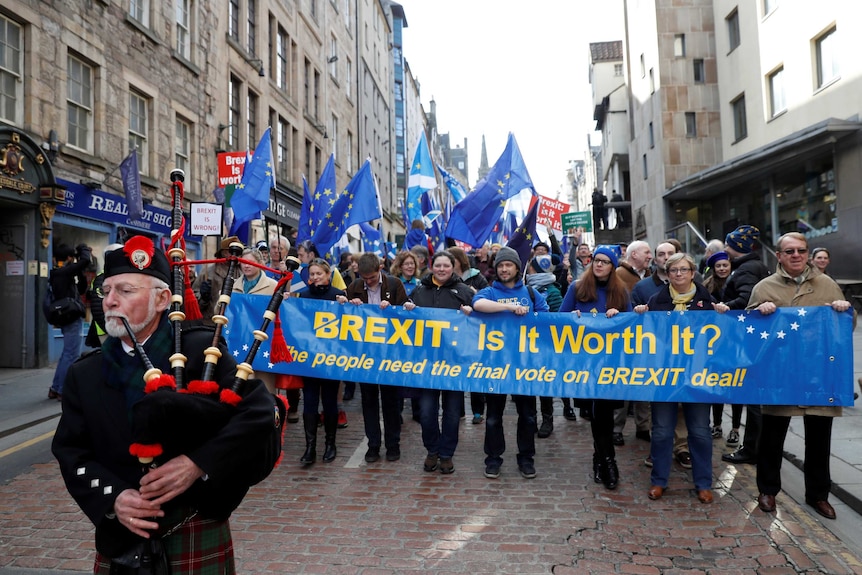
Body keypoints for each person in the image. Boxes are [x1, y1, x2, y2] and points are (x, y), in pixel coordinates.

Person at [52, 235, 277, 573]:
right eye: (106, 291)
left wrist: (198, 463)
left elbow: (260, 413)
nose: (110, 301)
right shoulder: (85, 374)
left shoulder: (203, 352)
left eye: (125, 291)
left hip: (194, 524)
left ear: (160, 300)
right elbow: (72, 452)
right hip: (123, 536)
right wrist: (113, 498)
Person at [751, 232, 854, 520]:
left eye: (801, 250)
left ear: (807, 254)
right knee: (772, 437)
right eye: (790, 251)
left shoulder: (827, 284)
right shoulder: (764, 287)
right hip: (780, 376)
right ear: (779, 256)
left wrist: (845, 310)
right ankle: (767, 490)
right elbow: (746, 330)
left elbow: (845, 327)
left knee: (820, 440)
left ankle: (818, 495)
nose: (796, 255)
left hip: (818, 375)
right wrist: (760, 312)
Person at [635, 253, 730, 504]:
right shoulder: (657, 300)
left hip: (697, 378)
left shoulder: (706, 301)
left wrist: (722, 312)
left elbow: (720, 336)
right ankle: (658, 481)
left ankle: (703, 483)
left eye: (684, 269)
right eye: (674, 270)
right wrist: (640, 313)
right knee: (662, 432)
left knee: (699, 432)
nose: (679, 274)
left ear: (692, 272)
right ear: (667, 273)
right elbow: (646, 334)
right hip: (664, 378)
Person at [472, 247, 549, 479]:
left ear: (517, 268)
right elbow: (478, 305)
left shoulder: (532, 293)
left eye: (509, 265)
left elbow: (547, 320)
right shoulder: (489, 292)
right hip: (495, 365)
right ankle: (493, 459)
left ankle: (526, 458)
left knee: (527, 415)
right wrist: (508, 307)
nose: (504, 269)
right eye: (501, 265)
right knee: (494, 415)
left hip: (525, 366)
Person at [560, 245, 631, 490]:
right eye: (596, 260)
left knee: (605, 414)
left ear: (613, 266)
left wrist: (619, 316)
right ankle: (605, 460)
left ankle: (603, 459)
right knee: (596, 413)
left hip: (611, 363)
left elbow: (632, 326)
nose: (599, 265)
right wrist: (573, 318)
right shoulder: (577, 287)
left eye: (605, 261)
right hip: (585, 363)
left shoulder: (621, 291)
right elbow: (560, 319)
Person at [404, 250, 474, 474]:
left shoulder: (464, 291)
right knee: (426, 412)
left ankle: (446, 455)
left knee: (453, 413)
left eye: (446, 265)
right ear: (432, 267)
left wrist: (470, 313)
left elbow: (479, 324)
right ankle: (431, 450)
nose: (442, 269)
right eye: (438, 265)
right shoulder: (420, 290)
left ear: (453, 267)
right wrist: (408, 310)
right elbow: (405, 321)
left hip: (454, 364)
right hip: (427, 364)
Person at [337, 253, 408, 463]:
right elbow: (345, 317)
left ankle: (393, 444)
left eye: (372, 278)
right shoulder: (355, 286)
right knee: (368, 400)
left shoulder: (394, 284)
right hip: (365, 355)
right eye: (364, 278)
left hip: (390, 353)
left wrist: (396, 309)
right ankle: (373, 444)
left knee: (391, 401)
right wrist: (349, 303)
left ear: (380, 269)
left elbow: (408, 313)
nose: (368, 282)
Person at [720, 225, 771, 465]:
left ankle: (752, 449)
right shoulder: (752, 266)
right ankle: (756, 446)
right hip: (755, 340)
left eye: (728, 244)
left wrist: (722, 307)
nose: (725, 248)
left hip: (748, 340)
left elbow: (746, 300)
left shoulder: (746, 269)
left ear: (737, 247)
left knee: (753, 400)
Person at [298, 258, 345, 465]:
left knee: (329, 402)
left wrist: (349, 304)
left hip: (330, 358)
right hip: (309, 358)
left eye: (319, 274)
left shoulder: (338, 295)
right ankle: (310, 447)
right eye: (312, 274)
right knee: (309, 403)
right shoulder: (303, 296)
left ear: (328, 275)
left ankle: (330, 444)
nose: (315, 277)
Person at [526, 253, 565, 438]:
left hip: (545, 345)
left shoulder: (552, 291)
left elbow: (556, 318)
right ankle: (531, 419)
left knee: (544, 385)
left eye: (532, 266)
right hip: (527, 344)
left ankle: (547, 420)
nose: (528, 270)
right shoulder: (527, 289)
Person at [702, 251, 739, 444]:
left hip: (735, 340)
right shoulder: (707, 286)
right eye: (719, 266)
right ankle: (716, 424)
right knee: (715, 383)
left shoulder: (737, 282)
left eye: (725, 265)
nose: (723, 269)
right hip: (715, 341)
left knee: (735, 385)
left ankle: (735, 428)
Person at [48, 242, 92, 400]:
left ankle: (55, 388)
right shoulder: (63, 272)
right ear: (68, 258)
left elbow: (80, 289)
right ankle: (62, 390)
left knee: (66, 354)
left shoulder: (59, 272)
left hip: (66, 316)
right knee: (71, 355)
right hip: (71, 317)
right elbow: (86, 260)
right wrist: (83, 249)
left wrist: (78, 270)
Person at [233, 246, 278, 394]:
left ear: (260, 262)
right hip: (240, 340)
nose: (246, 265)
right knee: (243, 382)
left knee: (264, 383)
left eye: (251, 262)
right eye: (243, 262)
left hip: (264, 340)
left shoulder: (273, 286)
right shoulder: (233, 285)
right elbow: (223, 314)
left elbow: (281, 313)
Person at [85, 243, 124, 349]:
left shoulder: (119, 276)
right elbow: (98, 309)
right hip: (107, 330)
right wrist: (112, 329)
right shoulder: (101, 278)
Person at [194, 235, 241, 318]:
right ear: (223, 252)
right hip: (211, 321)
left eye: (237, 252)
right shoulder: (207, 272)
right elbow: (194, 300)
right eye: (231, 251)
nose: (235, 254)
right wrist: (203, 297)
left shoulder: (242, 271)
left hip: (234, 320)